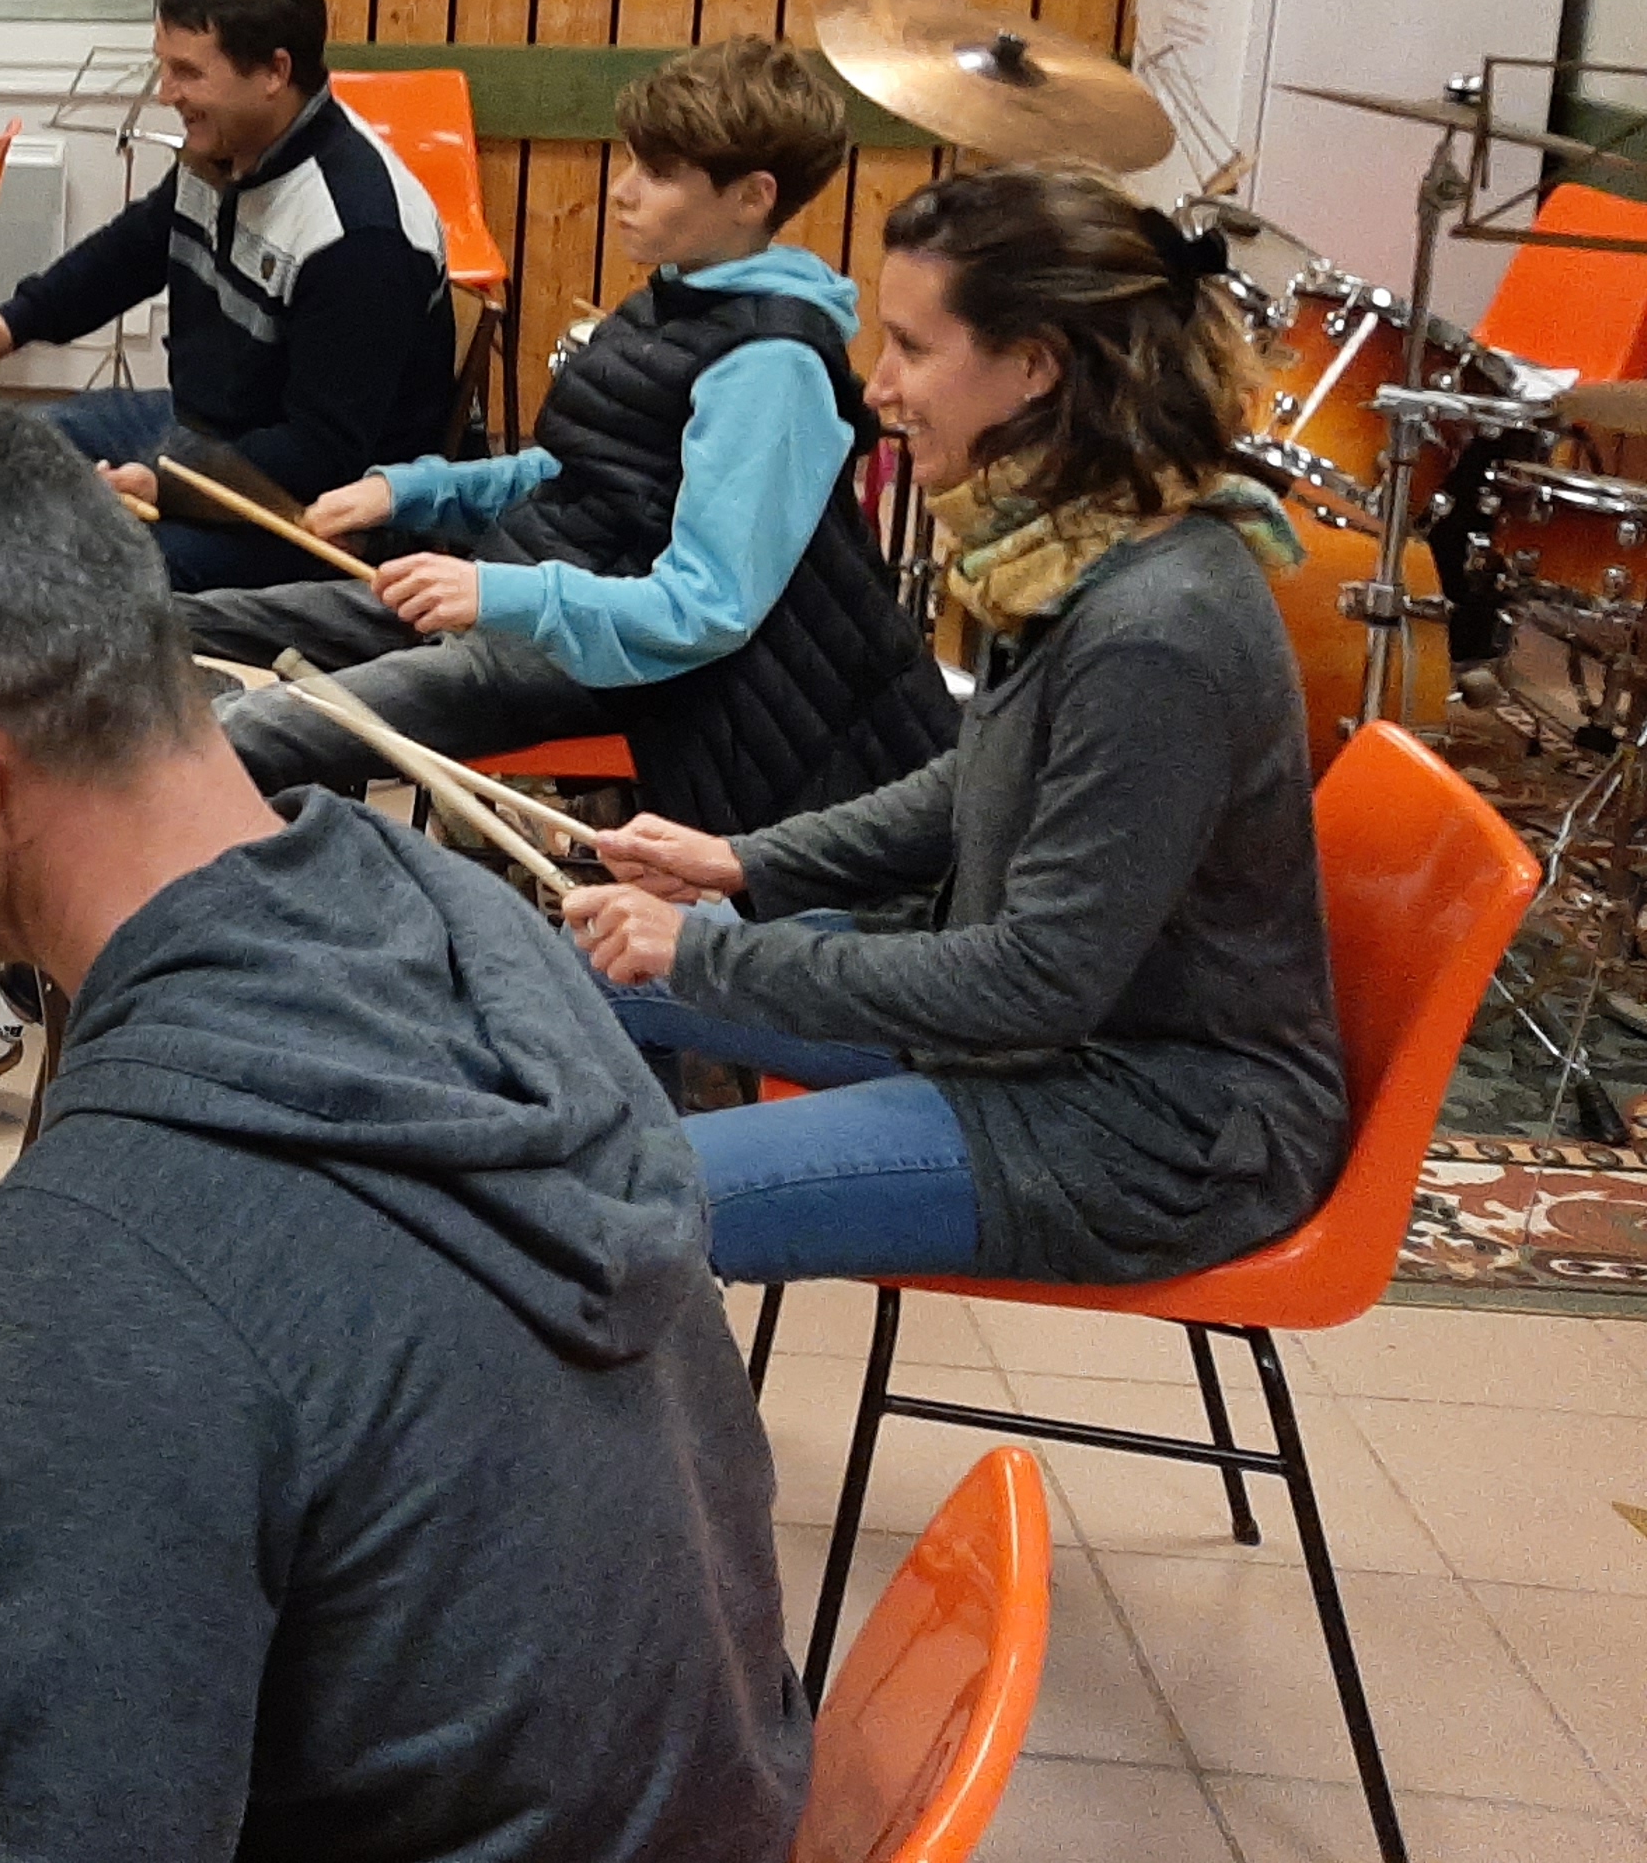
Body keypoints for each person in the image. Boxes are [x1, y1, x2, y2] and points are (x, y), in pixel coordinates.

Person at [0, 393, 808, 1863]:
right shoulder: (456, 916)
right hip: (697, 1805)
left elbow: (204, 1298)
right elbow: (335, 1369)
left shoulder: (109, 1235)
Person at [561, 163, 1343, 1287]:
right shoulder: (1075, 543)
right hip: (1040, 1048)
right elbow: (974, 781)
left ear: (1035, 366)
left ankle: (618, 1306)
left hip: (1153, 1126)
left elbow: (1034, 981)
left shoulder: (1155, 628)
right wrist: (740, 862)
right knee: (579, 975)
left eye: (912, 348)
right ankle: (630, 1323)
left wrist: (707, 948)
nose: (878, 387)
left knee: (606, 1210)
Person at [188, 35, 953, 835]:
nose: (621, 191)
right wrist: (408, 491)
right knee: (176, 621)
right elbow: (575, 474)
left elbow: (707, 608)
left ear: (753, 197)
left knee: (244, 733)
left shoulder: (771, 367)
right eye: (632, 161)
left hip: (604, 659)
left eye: (659, 174)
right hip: (532, 594)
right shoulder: (676, 299)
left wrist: (497, 595)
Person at [0, 0, 450, 594]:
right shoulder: (229, 149)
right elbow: (138, 247)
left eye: (188, 73)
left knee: (65, 567)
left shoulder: (359, 234)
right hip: (200, 430)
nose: (167, 93)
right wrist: (15, 321)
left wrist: (163, 487)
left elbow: (321, 452)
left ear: (274, 72)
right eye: (164, 67)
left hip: (307, 509)